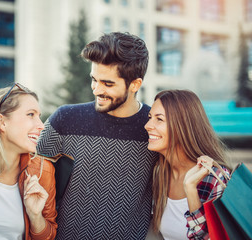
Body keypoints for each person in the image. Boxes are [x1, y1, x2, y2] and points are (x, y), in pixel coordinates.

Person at [37, 32, 158, 239]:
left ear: (135, 84)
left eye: (108, 84)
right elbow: (26, 173)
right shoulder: (65, 119)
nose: (96, 90)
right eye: (94, 80)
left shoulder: (155, 129)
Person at [0, 84, 57, 240]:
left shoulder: (43, 171)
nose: (41, 126)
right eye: (31, 114)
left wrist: (35, 216)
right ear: (2, 122)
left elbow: (49, 236)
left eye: (39, 116)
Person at [145, 89, 231, 240]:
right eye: (150, 117)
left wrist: (191, 189)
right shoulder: (159, 173)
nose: (147, 125)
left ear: (182, 126)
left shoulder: (215, 179)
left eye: (159, 119)